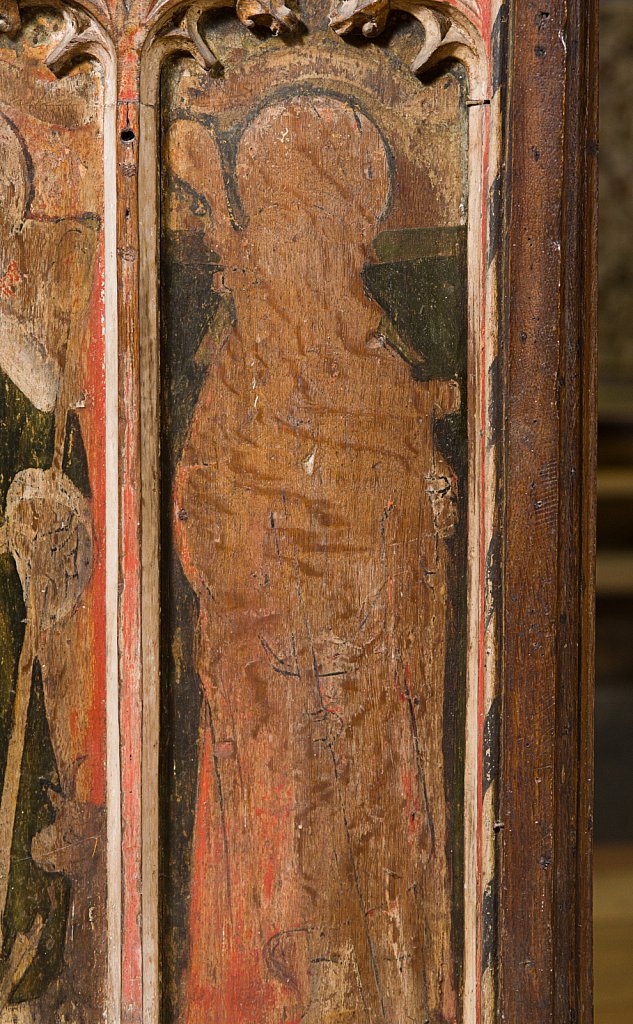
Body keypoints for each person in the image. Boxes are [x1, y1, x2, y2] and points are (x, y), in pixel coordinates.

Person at [172, 92, 460, 1023]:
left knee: (362, 892)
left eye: (273, 222)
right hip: (273, 691)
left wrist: (423, 521)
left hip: (365, 703)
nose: (246, 247)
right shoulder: (241, 367)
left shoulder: (382, 370)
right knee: (287, 900)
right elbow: (201, 515)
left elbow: (410, 520)